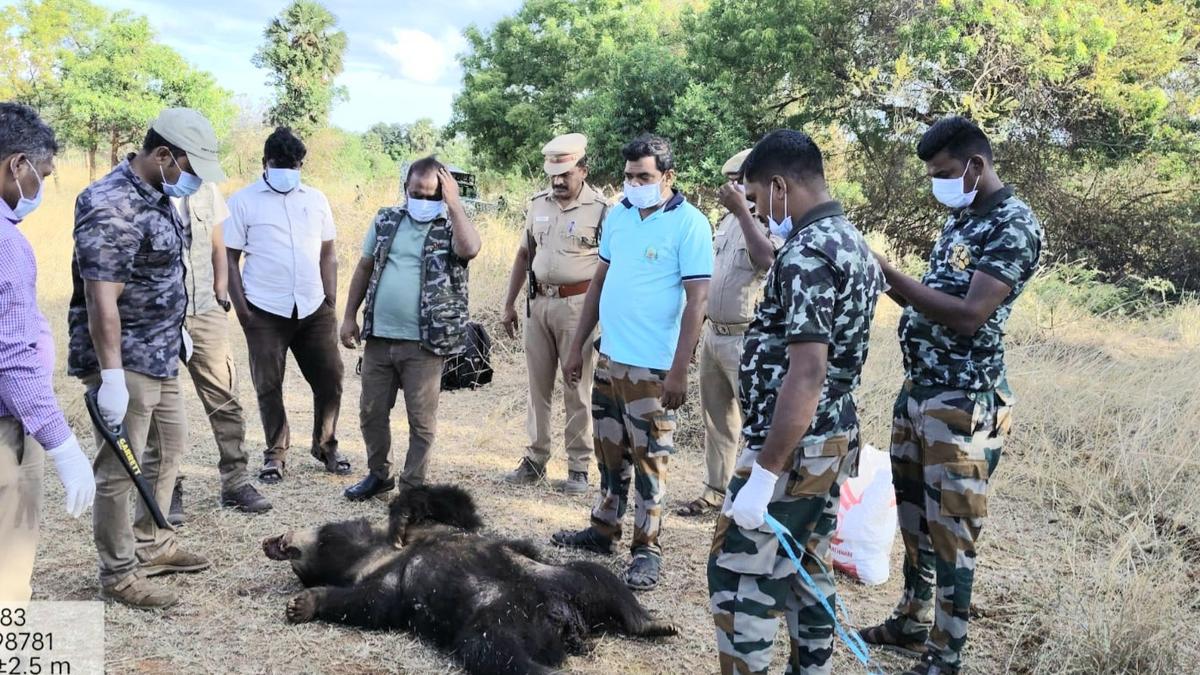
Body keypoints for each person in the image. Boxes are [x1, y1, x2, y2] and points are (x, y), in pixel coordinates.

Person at [859, 116, 1042, 675]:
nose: (937, 183)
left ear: (974, 166)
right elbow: (935, 295)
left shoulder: (1013, 224)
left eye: (942, 172)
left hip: (964, 401)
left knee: (952, 532)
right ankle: (913, 622)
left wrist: (887, 274)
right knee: (915, 520)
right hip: (920, 394)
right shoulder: (962, 220)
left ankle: (947, 652)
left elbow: (968, 315)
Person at [707, 129, 887, 674]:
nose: (760, 212)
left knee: (741, 577)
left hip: (793, 448)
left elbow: (806, 374)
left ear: (781, 186)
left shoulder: (808, 252)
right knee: (807, 565)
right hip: (830, 440)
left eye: (760, 200)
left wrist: (764, 475)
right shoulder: (850, 240)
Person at [68, 108, 223, 609]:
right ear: (162, 155)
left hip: (160, 350)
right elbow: (101, 298)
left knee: (169, 447)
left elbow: (160, 271)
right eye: (190, 167)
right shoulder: (110, 203)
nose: (194, 180)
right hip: (126, 359)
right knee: (119, 468)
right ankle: (117, 574)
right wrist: (110, 376)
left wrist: (177, 329)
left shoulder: (157, 195)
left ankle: (151, 543)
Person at [552, 133, 713, 591]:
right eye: (628, 176)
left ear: (668, 176)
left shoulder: (690, 224)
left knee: (650, 462)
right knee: (609, 453)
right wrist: (579, 345)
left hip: (654, 370)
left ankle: (647, 548)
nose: (634, 184)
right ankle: (603, 529)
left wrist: (680, 369)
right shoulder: (619, 217)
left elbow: (697, 300)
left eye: (644, 176)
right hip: (611, 358)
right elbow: (600, 282)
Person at [340, 157, 481, 500]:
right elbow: (364, 266)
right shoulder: (386, 219)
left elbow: (470, 249)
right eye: (416, 193)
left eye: (432, 195)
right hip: (379, 337)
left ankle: (413, 487)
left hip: (425, 343)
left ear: (444, 194)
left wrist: (454, 205)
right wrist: (349, 316)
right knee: (371, 411)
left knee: (421, 421)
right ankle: (378, 475)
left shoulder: (451, 225)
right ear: (405, 188)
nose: (423, 201)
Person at [0, 103, 96, 602]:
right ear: (17, 166)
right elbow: (14, 361)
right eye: (42, 174)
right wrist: (62, 444)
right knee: (8, 570)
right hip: (5, 429)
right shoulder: (7, 244)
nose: (40, 188)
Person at [225, 127, 349, 485]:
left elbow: (329, 253)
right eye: (280, 164)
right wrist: (244, 311)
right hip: (263, 308)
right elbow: (230, 259)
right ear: (265, 163)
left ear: (301, 164)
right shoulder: (243, 201)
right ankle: (275, 454)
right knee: (268, 385)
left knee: (331, 378)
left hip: (313, 307)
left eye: (293, 164)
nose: (287, 170)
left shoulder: (316, 199)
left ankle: (325, 445)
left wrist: (330, 299)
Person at [502, 133, 610, 495]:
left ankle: (579, 468)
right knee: (537, 387)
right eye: (553, 174)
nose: (558, 181)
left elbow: (611, 267)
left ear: (583, 169)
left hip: (578, 308)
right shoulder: (538, 205)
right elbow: (524, 255)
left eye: (565, 173)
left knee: (576, 387)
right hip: (538, 304)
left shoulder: (602, 209)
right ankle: (534, 459)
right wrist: (508, 304)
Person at [677, 148, 778, 518]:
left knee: (755, 422)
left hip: (746, 337)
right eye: (730, 180)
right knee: (717, 420)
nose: (732, 187)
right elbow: (712, 281)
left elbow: (768, 260)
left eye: (739, 180)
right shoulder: (725, 222)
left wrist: (742, 212)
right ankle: (715, 490)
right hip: (714, 334)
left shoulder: (765, 220)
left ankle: (751, 497)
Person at [166, 180, 271, 522]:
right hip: (158, 314)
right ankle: (167, 489)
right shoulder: (138, 191)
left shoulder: (205, 189)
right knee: (160, 408)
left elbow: (218, 244)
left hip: (205, 309)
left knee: (225, 398)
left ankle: (235, 483)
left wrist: (220, 292)